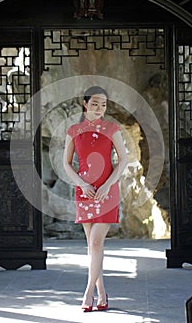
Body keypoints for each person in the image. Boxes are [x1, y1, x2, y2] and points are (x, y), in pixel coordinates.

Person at [63, 86, 127, 312]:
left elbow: (123, 160)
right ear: (85, 103)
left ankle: (88, 291)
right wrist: (81, 183)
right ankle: (102, 293)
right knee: (92, 246)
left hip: (107, 191)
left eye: (104, 105)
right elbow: (66, 164)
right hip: (85, 192)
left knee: (97, 242)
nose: (100, 109)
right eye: (95, 104)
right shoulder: (73, 130)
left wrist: (108, 184)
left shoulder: (112, 128)